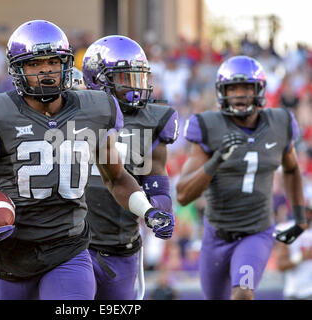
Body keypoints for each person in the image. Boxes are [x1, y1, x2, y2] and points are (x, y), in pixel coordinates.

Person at [0, 20, 174, 300]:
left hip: (69, 249)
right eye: (34, 64)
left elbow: (118, 178)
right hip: (13, 255)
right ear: (17, 69)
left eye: (52, 62)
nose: (45, 72)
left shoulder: (95, 110)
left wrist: (148, 210)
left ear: (65, 64)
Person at [176, 55, 307, 300]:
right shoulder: (208, 125)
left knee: (243, 294)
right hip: (217, 234)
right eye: (232, 88)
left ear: (259, 90)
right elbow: (183, 195)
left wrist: (299, 218)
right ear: (221, 92)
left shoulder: (280, 122)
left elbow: (291, 169)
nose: (239, 94)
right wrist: (217, 160)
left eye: (246, 87)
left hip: (256, 233)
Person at [81, 35, 178, 299]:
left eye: (138, 77)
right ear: (98, 80)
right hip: (74, 246)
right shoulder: (72, 112)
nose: (135, 87)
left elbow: (157, 185)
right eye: (125, 79)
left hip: (121, 244)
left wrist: (159, 212)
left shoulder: (153, 120)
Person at [275, 198, 312, 300]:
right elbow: (281, 264)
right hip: (294, 291)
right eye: (302, 210)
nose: (305, 214)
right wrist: (302, 256)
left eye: (308, 210)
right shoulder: (288, 230)